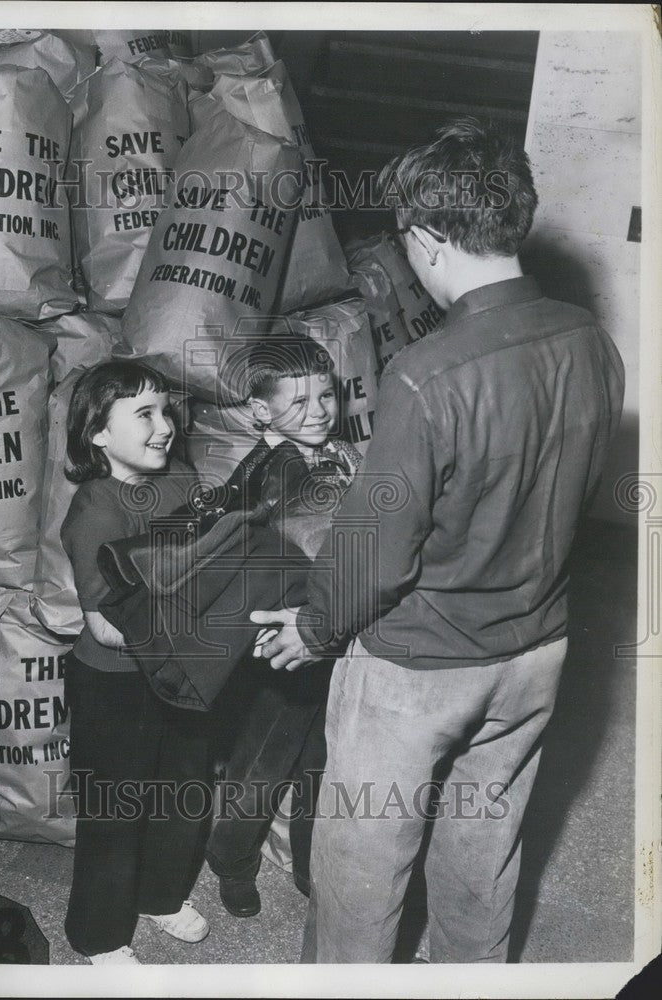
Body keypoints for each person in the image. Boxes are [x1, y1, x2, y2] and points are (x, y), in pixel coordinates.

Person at [250, 117, 625, 963]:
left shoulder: (426, 375)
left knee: (360, 873)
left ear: (423, 238)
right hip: (536, 652)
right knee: (481, 855)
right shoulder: (590, 341)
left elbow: (377, 553)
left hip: (417, 669)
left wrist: (311, 629)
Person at [205, 336, 362, 917]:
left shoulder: (340, 451)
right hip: (281, 642)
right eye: (298, 402)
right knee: (264, 761)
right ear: (260, 411)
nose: (318, 411)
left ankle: (307, 863)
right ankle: (231, 859)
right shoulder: (269, 467)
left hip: (335, 632)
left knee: (322, 760)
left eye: (326, 395)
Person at [60, 360, 211, 965]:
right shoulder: (95, 509)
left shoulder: (184, 482)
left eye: (165, 410)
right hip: (114, 685)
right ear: (97, 433)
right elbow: (105, 625)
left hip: (181, 674)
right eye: (143, 413)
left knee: (183, 792)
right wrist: (201, 625)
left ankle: (159, 895)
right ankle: (97, 935)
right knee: (114, 812)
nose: (164, 424)